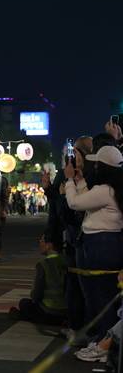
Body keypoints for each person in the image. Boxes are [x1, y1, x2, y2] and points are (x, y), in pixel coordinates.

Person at [65, 145, 123, 341]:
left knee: (99, 297)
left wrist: (69, 180)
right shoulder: (112, 189)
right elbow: (86, 200)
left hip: (100, 244)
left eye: (97, 163)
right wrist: (80, 181)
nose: (94, 167)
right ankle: (103, 341)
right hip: (108, 243)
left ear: (104, 167)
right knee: (103, 296)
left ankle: (103, 343)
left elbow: (75, 203)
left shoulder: (105, 190)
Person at [9, 231, 67, 324]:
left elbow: (36, 294)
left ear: (49, 245)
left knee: (24, 303)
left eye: (42, 240)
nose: (40, 242)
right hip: (67, 310)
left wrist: (34, 298)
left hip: (49, 309)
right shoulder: (67, 261)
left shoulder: (43, 264)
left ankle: (24, 316)